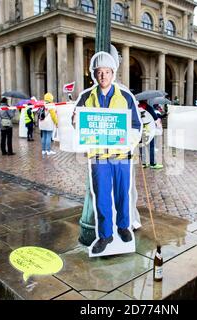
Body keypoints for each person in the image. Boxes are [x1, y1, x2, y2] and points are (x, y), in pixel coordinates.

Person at [75, 51, 142, 254]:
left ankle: (123, 227)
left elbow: (136, 126)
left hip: (121, 157)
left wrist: (128, 142)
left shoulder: (125, 97)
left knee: (123, 194)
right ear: (94, 75)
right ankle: (105, 235)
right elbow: (76, 120)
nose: (103, 75)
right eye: (99, 72)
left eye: (106, 71)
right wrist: (79, 124)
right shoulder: (86, 97)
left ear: (113, 73)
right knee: (102, 196)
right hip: (98, 157)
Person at [138, 100, 163, 169]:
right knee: (151, 147)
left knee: (142, 146)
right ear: (146, 100)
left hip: (141, 130)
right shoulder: (148, 107)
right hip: (149, 130)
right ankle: (152, 163)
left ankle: (143, 163)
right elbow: (155, 117)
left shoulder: (137, 107)